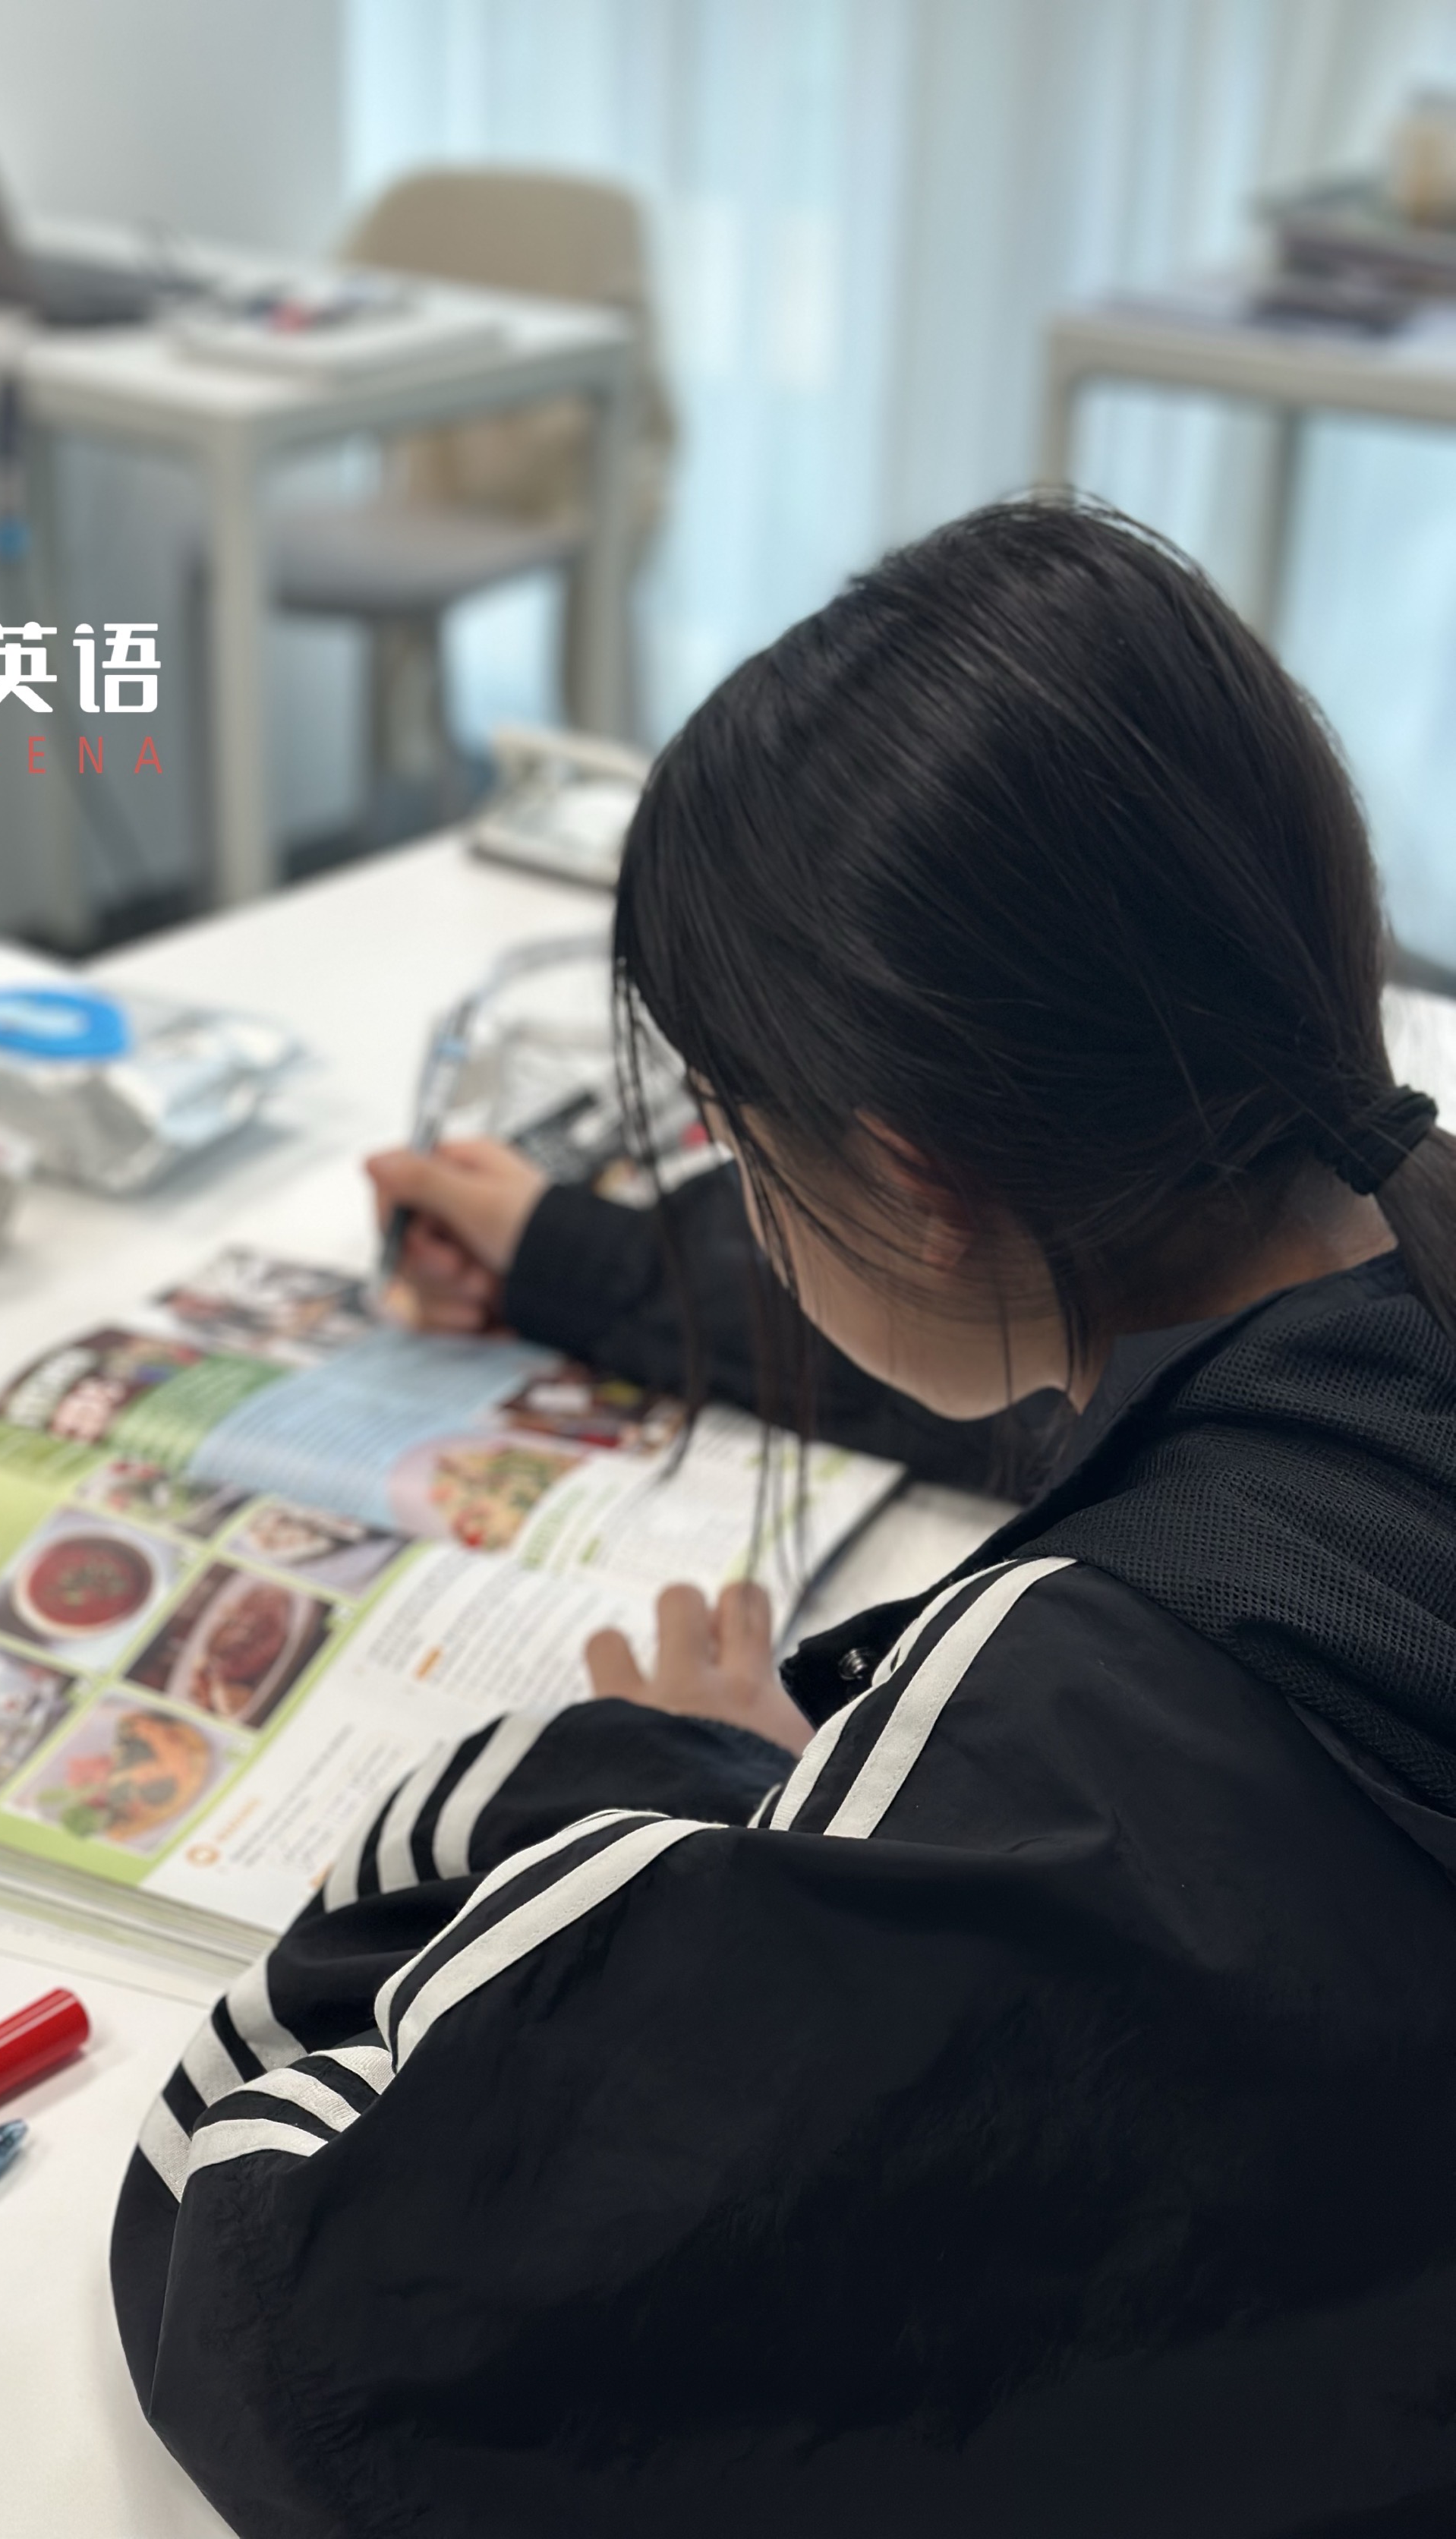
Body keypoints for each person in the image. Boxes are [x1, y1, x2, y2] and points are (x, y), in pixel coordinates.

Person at [110, 500, 1456, 2535]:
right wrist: (577, 1258)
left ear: (916, 1181)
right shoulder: (1386, 1257)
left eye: (741, 1147)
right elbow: (1027, 1323)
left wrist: (674, 1780)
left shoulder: (1054, 1763)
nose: (743, 1195)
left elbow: (290, 2304)